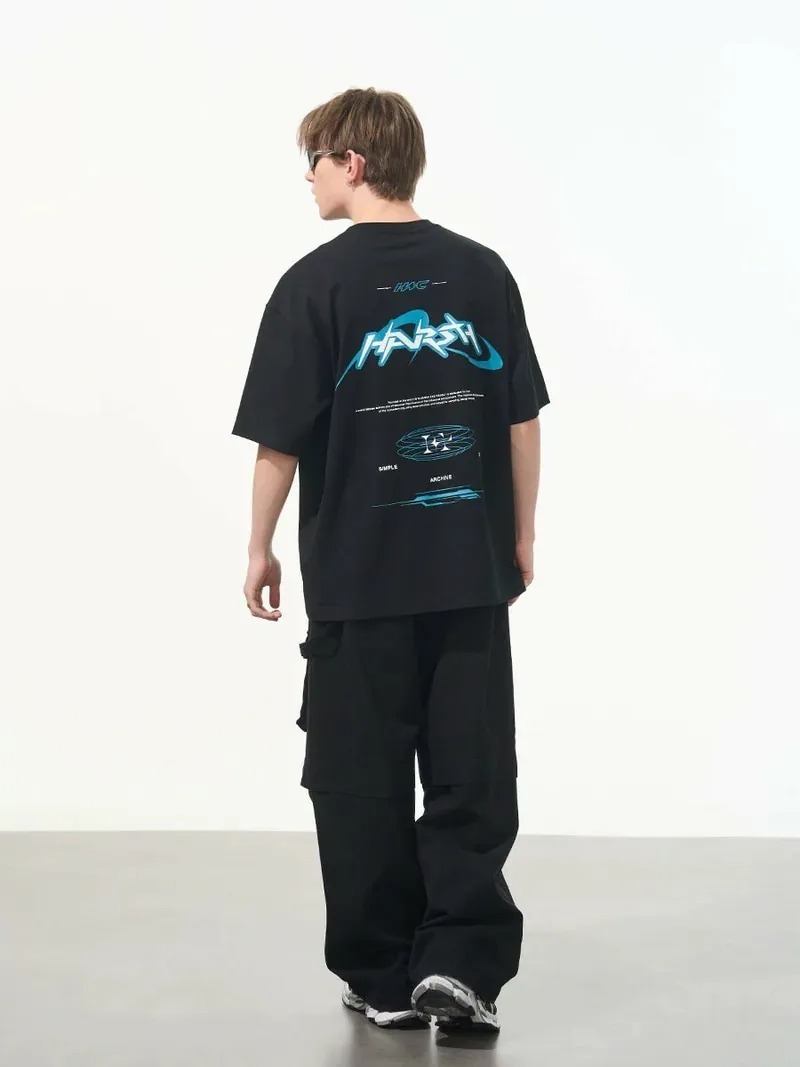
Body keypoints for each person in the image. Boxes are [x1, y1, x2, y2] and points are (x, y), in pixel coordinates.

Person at [231, 87, 550, 1034]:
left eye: (315, 160)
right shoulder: (483, 272)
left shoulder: (313, 285)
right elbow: (522, 419)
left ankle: (383, 972)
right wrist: (521, 533)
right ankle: (460, 963)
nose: (308, 178)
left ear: (354, 164)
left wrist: (258, 544)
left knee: (356, 780)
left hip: (358, 580)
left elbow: (280, 441)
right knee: (470, 774)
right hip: (467, 572)